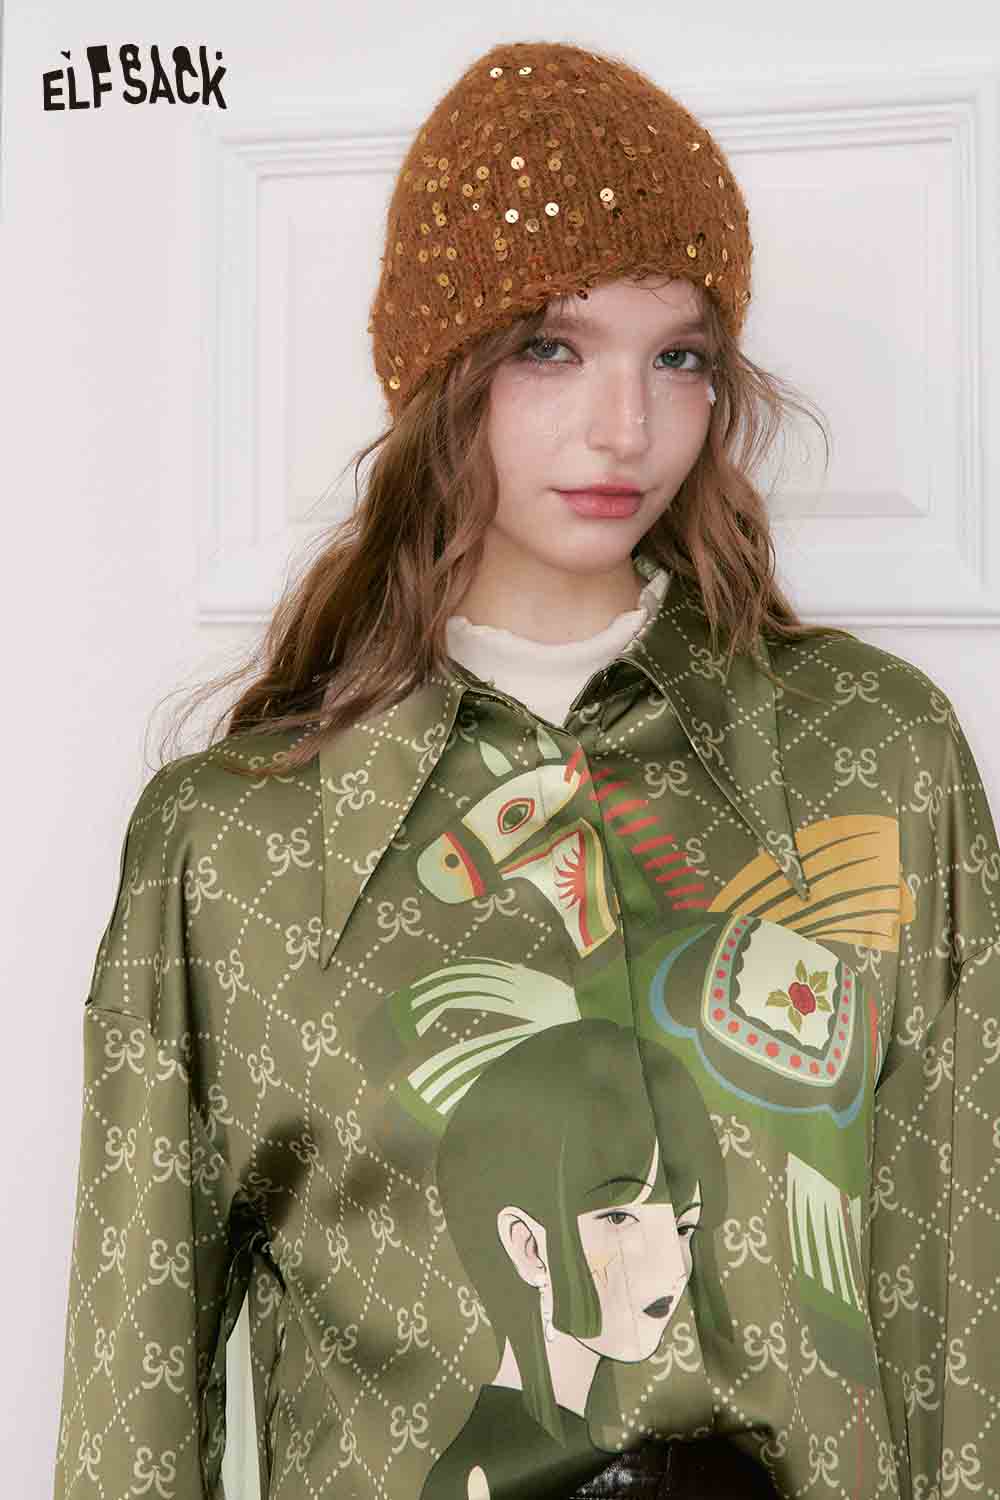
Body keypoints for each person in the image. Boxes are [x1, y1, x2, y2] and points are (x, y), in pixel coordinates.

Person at [51, 37, 1000, 1500]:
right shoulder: (230, 849)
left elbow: (961, 1310)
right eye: (551, 347)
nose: (627, 427)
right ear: (442, 375)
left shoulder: (877, 755)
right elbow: (130, 1415)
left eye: (679, 355)